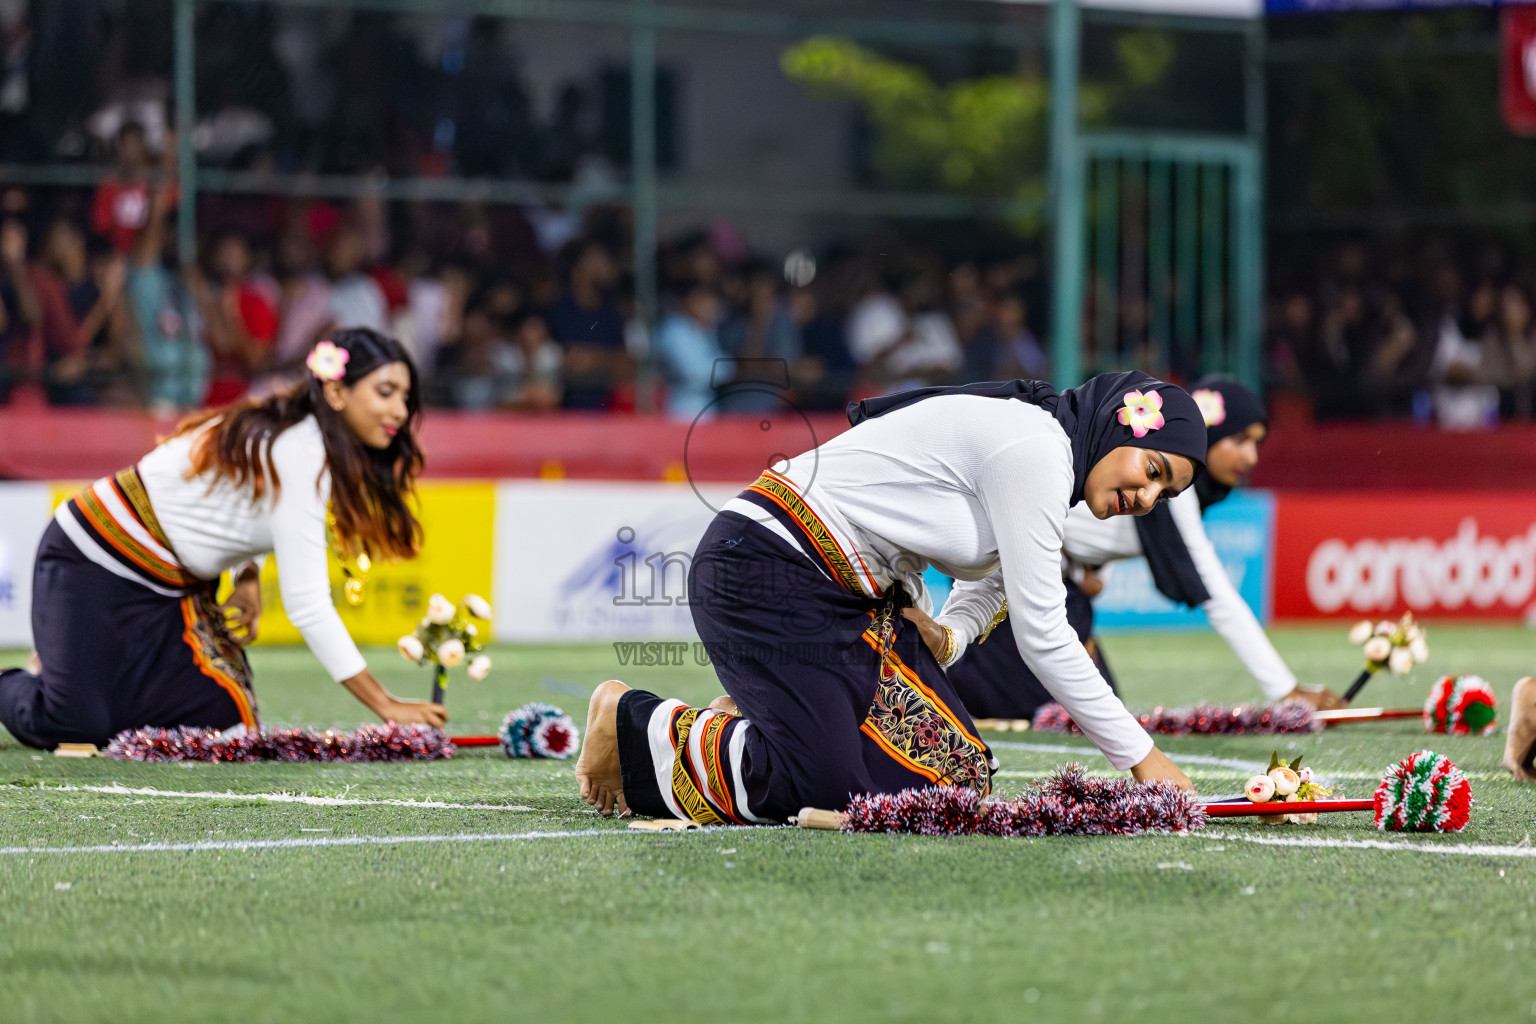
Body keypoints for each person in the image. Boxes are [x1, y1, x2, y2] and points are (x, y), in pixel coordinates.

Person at [574, 372, 1208, 823]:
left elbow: (997, 581)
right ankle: (635, 724)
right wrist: (1145, 760)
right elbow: (1043, 634)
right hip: (766, 568)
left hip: (851, 602)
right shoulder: (1038, 448)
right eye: (1153, 470)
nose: (1149, 498)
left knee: (950, 778)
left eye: (1165, 495)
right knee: (825, 790)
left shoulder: (1056, 462)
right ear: (1120, 420)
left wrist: (953, 634)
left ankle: (764, 720)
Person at [0, 328, 447, 750]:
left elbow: (235, 503)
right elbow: (308, 605)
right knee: (76, 723)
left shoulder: (305, 443)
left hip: (172, 588)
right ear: (335, 392)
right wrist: (385, 704)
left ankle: (69, 665)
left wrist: (248, 575)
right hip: (91, 559)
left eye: (405, 397)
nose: (400, 412)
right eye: (385, 393)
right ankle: (42, 674)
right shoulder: (300, 451)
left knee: (225, 725)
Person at [945, 377, 1344, 721]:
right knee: (1050, 707)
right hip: (1008, 563)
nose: (1251, 457)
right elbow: (1215, 594)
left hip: (1063, 581)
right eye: (1240, 440)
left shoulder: (1168, 484)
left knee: (1092, 704)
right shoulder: (1171, 483)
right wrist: (1286, 691)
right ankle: (941, 677)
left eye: (1257, 444)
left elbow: (1093, 527)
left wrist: (1089, 571)